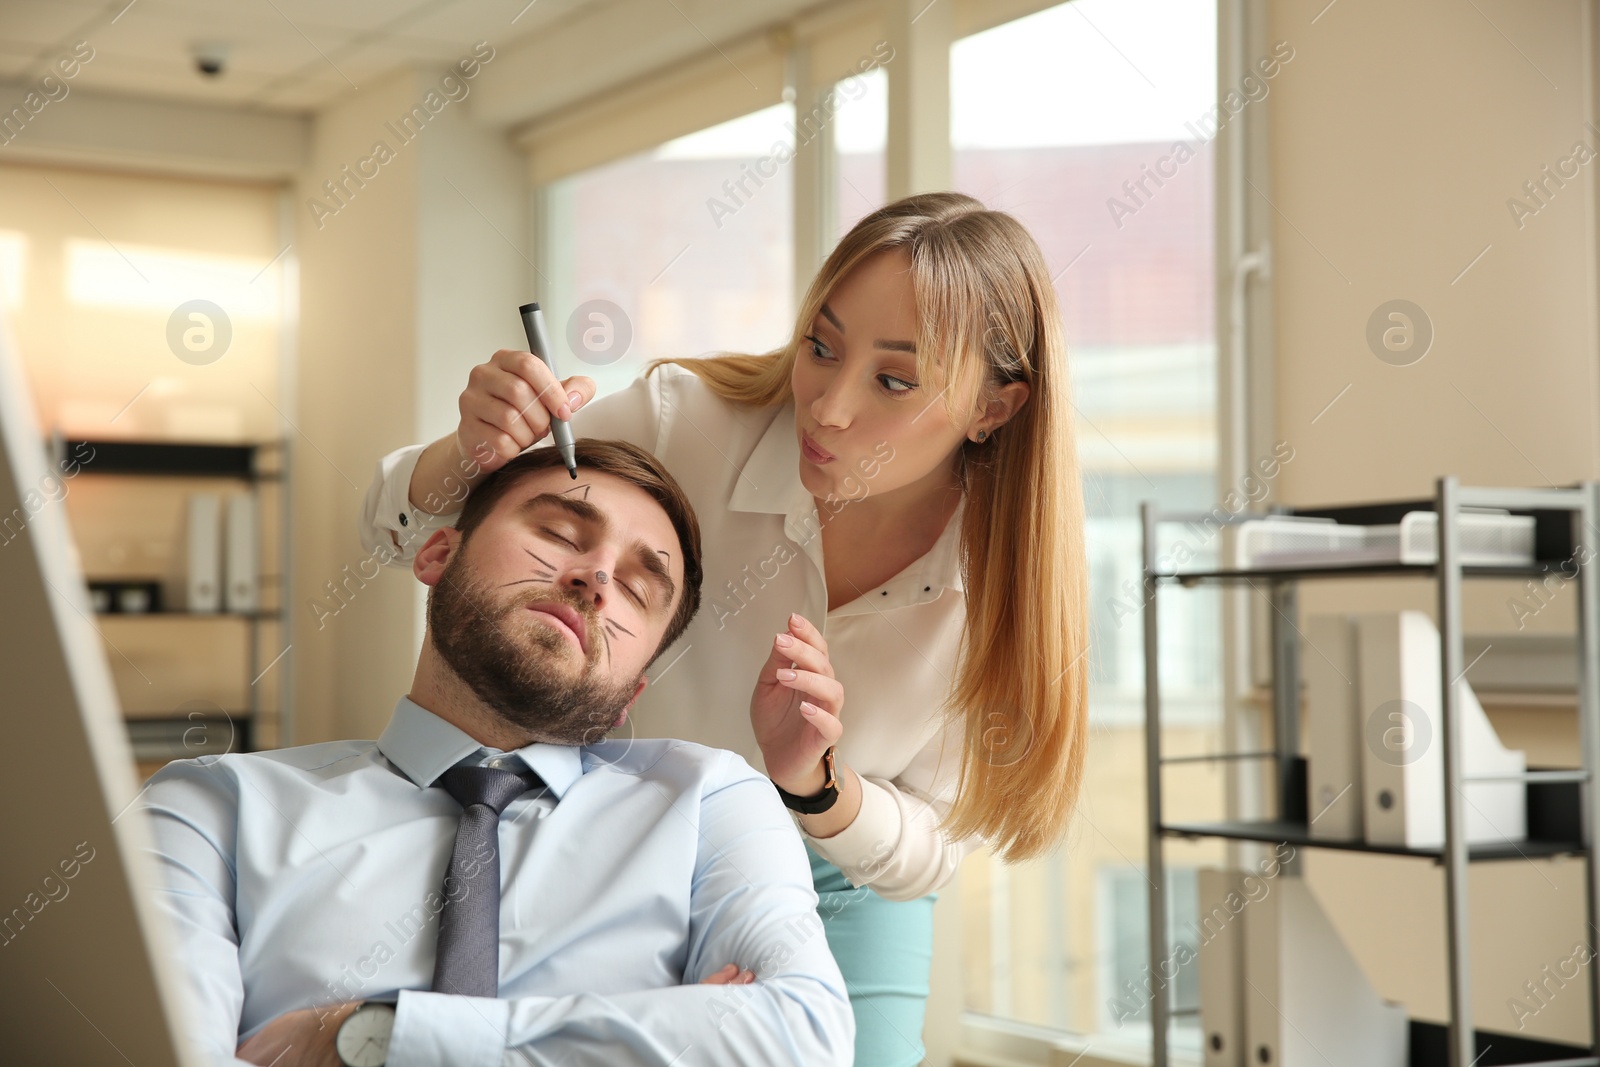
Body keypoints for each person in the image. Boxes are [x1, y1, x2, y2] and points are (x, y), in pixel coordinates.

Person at [358, 192, 1090, 1066]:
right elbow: (398, 530)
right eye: (821, 346)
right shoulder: (687, 421)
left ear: (995, 409)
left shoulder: (1003, 585)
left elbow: (931, 846)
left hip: (843, 875)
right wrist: (468, 448)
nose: (826, 408)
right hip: (629, 833)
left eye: (894, 380)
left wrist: (817, 784)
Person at [141, 439, 854, 1067]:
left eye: (638, 588)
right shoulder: (210, 806)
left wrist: (377, 1037)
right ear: (437, 552)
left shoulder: (709, 800)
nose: (597, 579)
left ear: (630, 691)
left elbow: (802, 1038)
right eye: (557, 531)